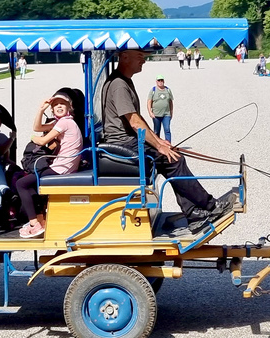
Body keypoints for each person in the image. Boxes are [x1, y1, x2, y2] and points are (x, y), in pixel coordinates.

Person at [99, 49, 235, 232]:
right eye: (140, 57)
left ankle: (194, 213)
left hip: (127, 141)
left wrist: (160, 141)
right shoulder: (118, 84)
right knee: (174, 160)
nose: (144, 61)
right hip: (122, 144)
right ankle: (210, 207)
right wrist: (159, 146)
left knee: (174, 156)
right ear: (124, 57)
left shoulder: (122, 81)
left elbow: (138, 120)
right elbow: (134, 121)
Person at [16, 92, 85, 239]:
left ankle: (34, 224)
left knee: (21, 184)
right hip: (65, 167)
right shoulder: (63, 122)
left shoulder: (65, 122)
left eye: (62, 104)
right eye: (55, 105)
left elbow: (41, 140)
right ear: (52, 110)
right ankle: (40, 221)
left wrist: (32, 138)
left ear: (69, 107)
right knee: (33, 182)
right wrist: (41, 109)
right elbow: (37, 127)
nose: (59, 106)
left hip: (61, 169)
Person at [148, 76, 174, 141]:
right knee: (156, 131)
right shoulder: (153, 90)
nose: (160, 82)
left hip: (166, 114)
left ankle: (169, 145)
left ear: (164, 81)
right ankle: (157, 147)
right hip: (156, 115)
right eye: (159, 80)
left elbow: (170, 102)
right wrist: (150, 112)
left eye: (161, 80)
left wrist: (171, 112)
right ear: (156, 82)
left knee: (167, 130)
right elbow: (149, 102)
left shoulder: (167, 90)